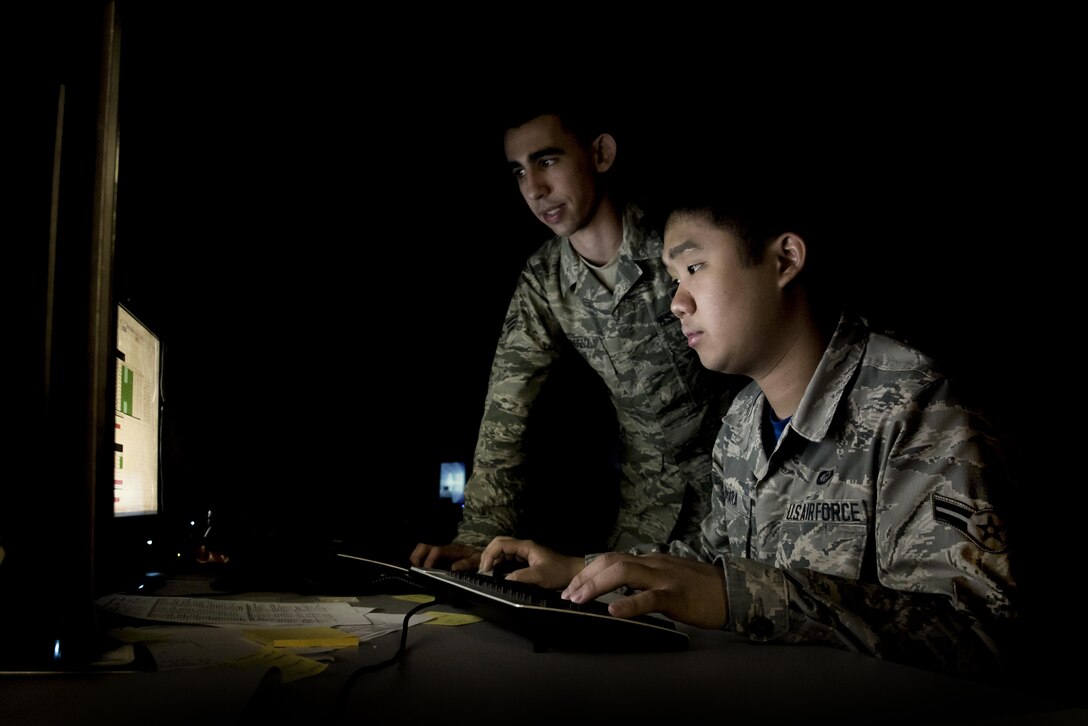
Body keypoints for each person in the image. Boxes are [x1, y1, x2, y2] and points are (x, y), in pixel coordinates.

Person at [477, 180, 1020, 677]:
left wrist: (740, 597)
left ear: (784, 259)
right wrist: (581, 568)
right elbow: (709, 561)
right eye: (671, 279)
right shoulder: (741, 422)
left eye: (694, 269)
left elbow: (982, 638)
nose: (677, 303)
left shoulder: (918, 405)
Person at [411, 100, 743, 572]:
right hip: (647, 524)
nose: (535, 189)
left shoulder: (681, 239)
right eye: (519, 172)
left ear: (600, 153)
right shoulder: (545, 280)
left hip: (746, 505)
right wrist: (478, 536)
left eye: (547, 161)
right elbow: (508, 414)